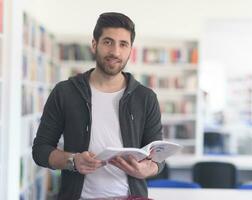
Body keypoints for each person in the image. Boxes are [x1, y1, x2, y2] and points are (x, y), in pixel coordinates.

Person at [32, 12, 164, 200]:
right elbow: (40, 150)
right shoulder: (65, 92)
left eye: (123, 44)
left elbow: (158, 158)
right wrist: (73, 161)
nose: (115, 52)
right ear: (95, 44)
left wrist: (146, 169)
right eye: (108, 42)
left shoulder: (146, 97)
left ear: (130, 50)